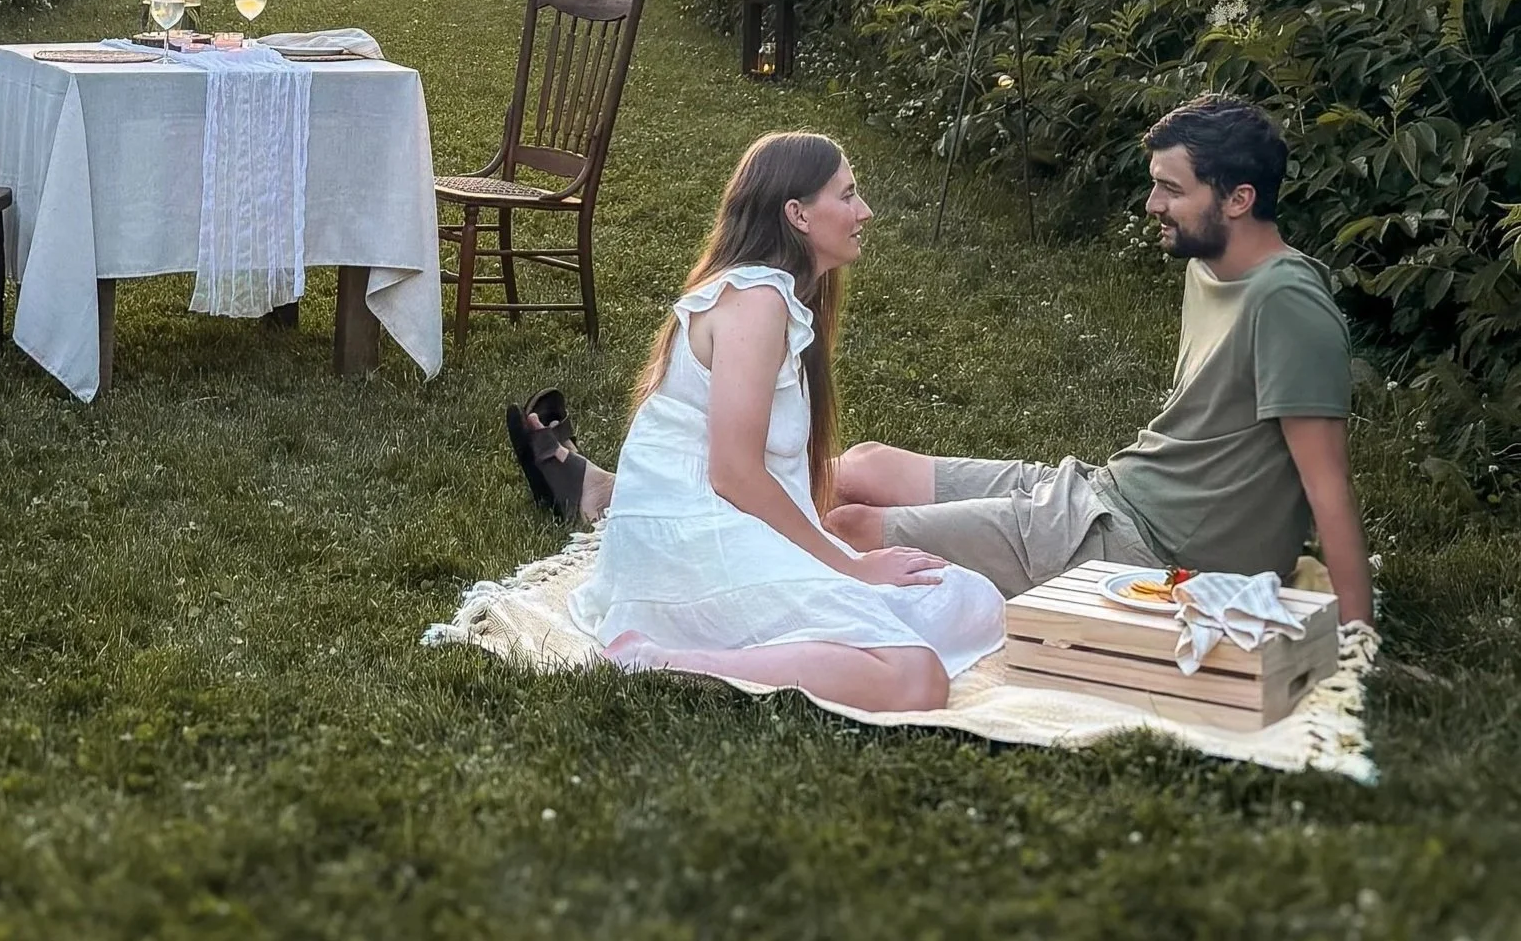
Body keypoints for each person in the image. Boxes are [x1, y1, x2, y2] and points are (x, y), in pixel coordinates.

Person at [519, 94, 1374, 629]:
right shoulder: (1210, 267)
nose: (1150, 203)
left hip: (1144, 542)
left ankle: (638, 514)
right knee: (859, 466)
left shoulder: (1286, 305)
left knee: (847, 525)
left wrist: (1357, 632)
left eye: (1169, 188)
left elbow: (1324, 483)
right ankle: (624, 502)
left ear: (1239, 199)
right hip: (1106, 490)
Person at [545, 132, 1006, 714]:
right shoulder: (755, 300)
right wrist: (849, 564)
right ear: (797, 214)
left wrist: (843, 563)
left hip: (733, 523)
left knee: (973, 601)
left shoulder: (781, 299)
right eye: (847, 195)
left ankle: (811, 637)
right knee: (915, 678)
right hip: (694, 538)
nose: (864, 212)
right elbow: (733, 474)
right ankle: (659, 659)